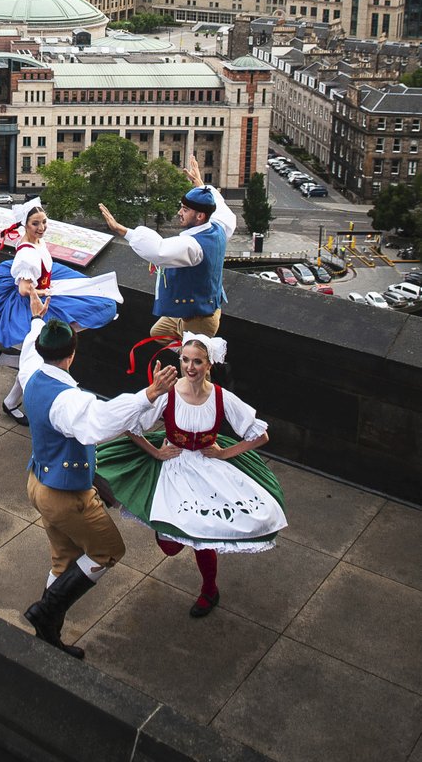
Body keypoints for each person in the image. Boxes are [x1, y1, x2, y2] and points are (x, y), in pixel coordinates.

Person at [19, 296, 177, 658]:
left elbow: (31, 339)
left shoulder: (31, 370)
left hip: (39, 482)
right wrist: (149, 394)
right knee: (108, 551)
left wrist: (36, 319)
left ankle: (48, 637)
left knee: (63, 559)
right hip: (66, 496)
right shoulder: (69, 400)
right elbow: (100, 423)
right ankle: (46, 612)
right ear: (72, 353)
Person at [95, 333, 286, 618]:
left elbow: (260, 435)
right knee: (170, 545)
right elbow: (131, 424)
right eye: (185, 360)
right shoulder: (168, 394)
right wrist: (156, 452)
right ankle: (178, 540)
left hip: (209, 469)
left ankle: (209, 589)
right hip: (174, 466)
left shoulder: (222, 397)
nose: (190, 367)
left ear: (210, 365)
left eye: (197, 362)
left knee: (204, 536)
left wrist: (224, 454)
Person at [0, 197, 122, 422]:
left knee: (45, 351)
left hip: (39, 287)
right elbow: (23, 290)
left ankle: (4, 368)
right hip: (28, 302)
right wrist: (48, 292)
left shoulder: (35, 244)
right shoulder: (27, 254)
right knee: (44, 353)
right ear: (25, 225)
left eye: (44, 222)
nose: (41, 228)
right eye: (35, 224)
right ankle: (9, 396)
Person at [99, 157, 235, 341]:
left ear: (201, 215)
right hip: (200, 307)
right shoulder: (218, 226)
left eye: (185, 210)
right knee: (158, 333)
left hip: (199, 319)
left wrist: (121, 230)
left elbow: (159, 251)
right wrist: (201, 186)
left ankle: (200, 360)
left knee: (192, 364)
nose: (179, 212)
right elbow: (219, 208)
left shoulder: (194, 246)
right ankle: (189, 354)